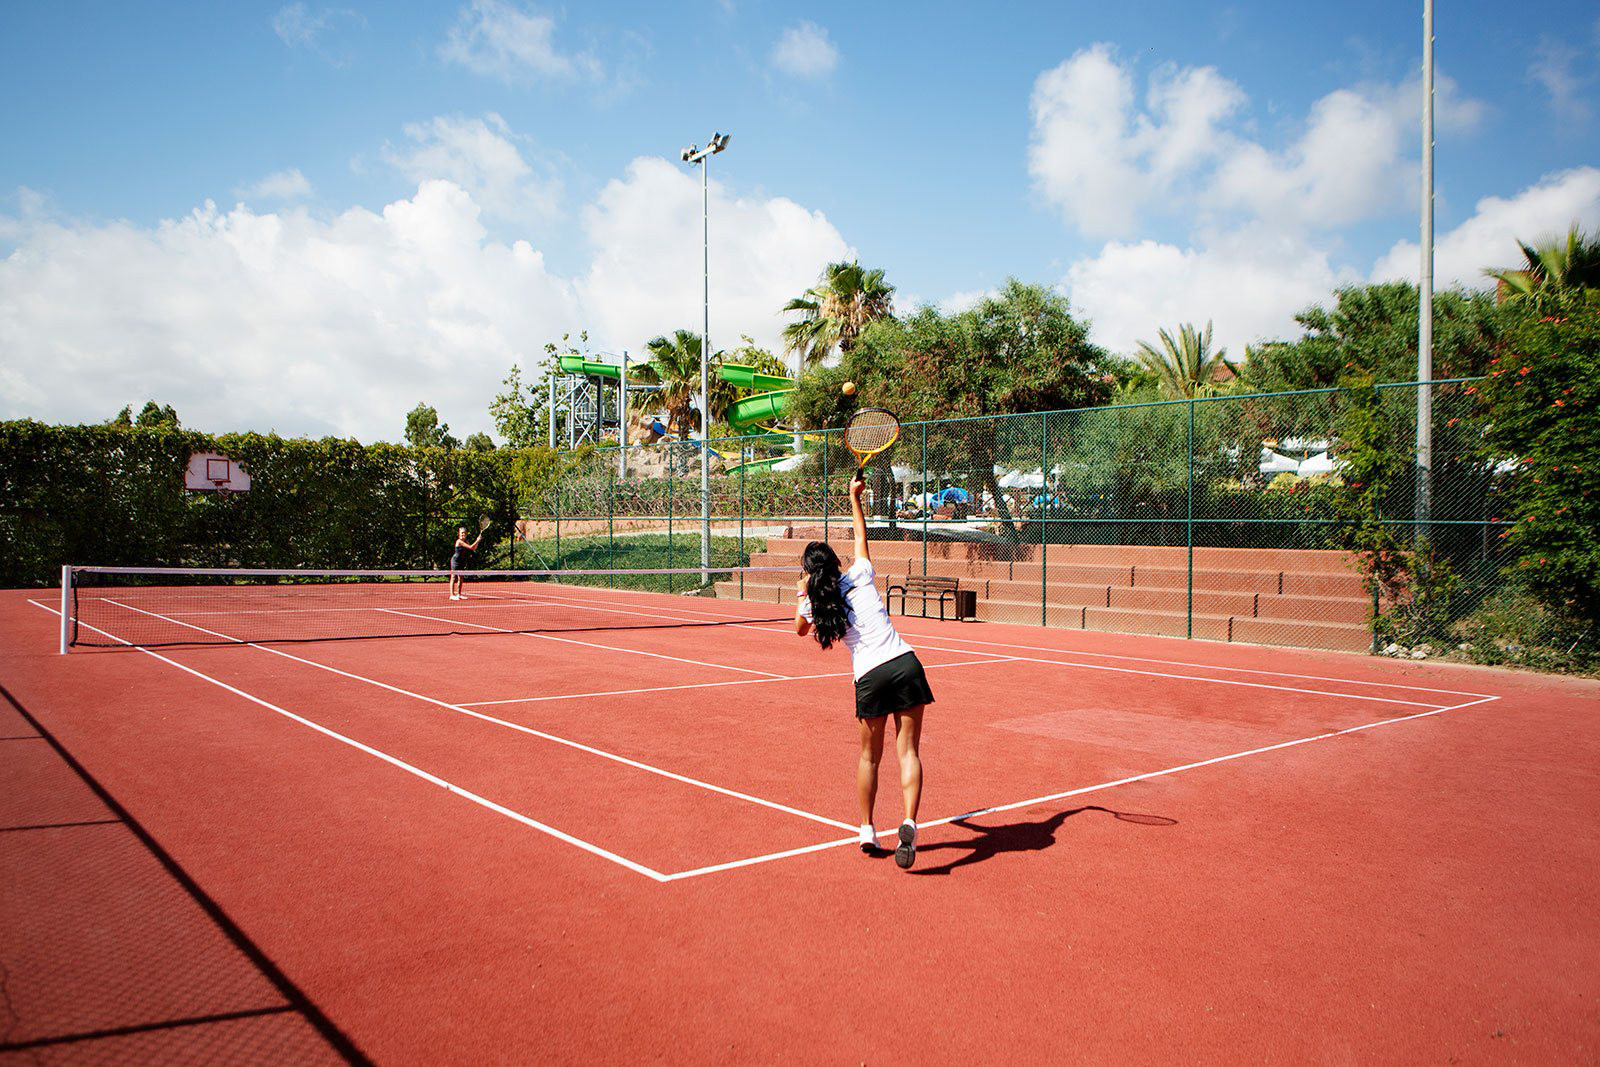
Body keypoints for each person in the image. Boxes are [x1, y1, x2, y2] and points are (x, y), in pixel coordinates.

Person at [794, 474, 934, 869]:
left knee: (869, 759)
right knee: (908, 752)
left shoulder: (817, 603)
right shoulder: (860, 575)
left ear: (809, 572)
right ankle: (908, 820)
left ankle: (867, 829)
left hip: (870, 677)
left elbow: (799, 629)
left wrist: (802, 589)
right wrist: (854, 498)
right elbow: (860, 534)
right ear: (838, 563)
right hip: (905, 664)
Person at [449, 526, 482, 600]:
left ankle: (459, 594)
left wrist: (478, 541)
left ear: (466, 534)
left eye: (464, 533)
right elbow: (470, 547)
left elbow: (473, 548)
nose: (463, 535)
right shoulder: (459, 541)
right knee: (453, 577)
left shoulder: (466, 541)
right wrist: (477, 540)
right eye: (461, 533)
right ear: (459, 534)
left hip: (462, 561)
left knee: (461, 578)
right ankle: (451, 595)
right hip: (455, 561)